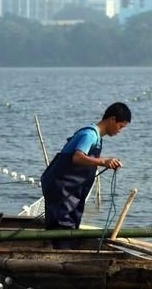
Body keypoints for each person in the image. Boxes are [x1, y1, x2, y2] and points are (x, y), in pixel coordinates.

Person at [40, 102, 130, 248]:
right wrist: (104, 162)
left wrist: (107, 163)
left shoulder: (98, 138)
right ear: (112, 119)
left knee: (72, 225)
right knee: (63, 227)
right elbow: (77, 157)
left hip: (72, 192)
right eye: (120, 126)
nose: (120, 131)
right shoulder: (89, 135)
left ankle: (62, 253)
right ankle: (62, 255)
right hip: (61, 189)